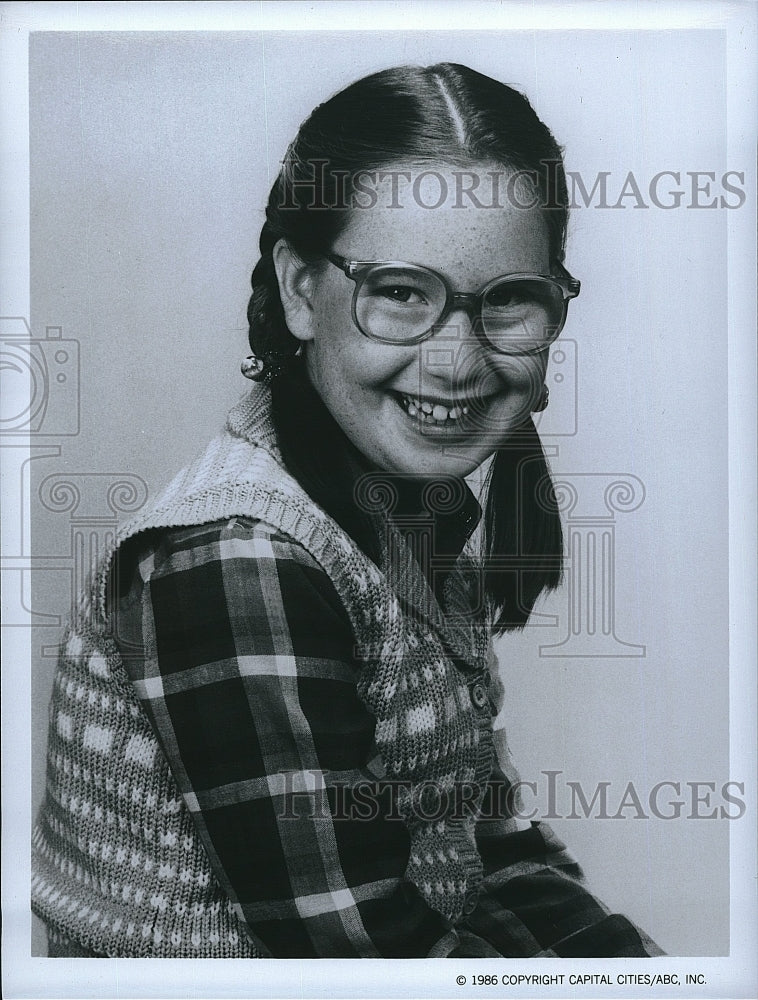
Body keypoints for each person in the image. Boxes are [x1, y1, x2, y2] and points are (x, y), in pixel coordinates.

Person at [32, 62, 662, 958]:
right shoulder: (239, 555)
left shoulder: (404, 519)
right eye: (401, 292)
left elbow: (496, 854)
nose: (456, 363)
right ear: (300, 290)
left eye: (510, 299)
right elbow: (367, 962)